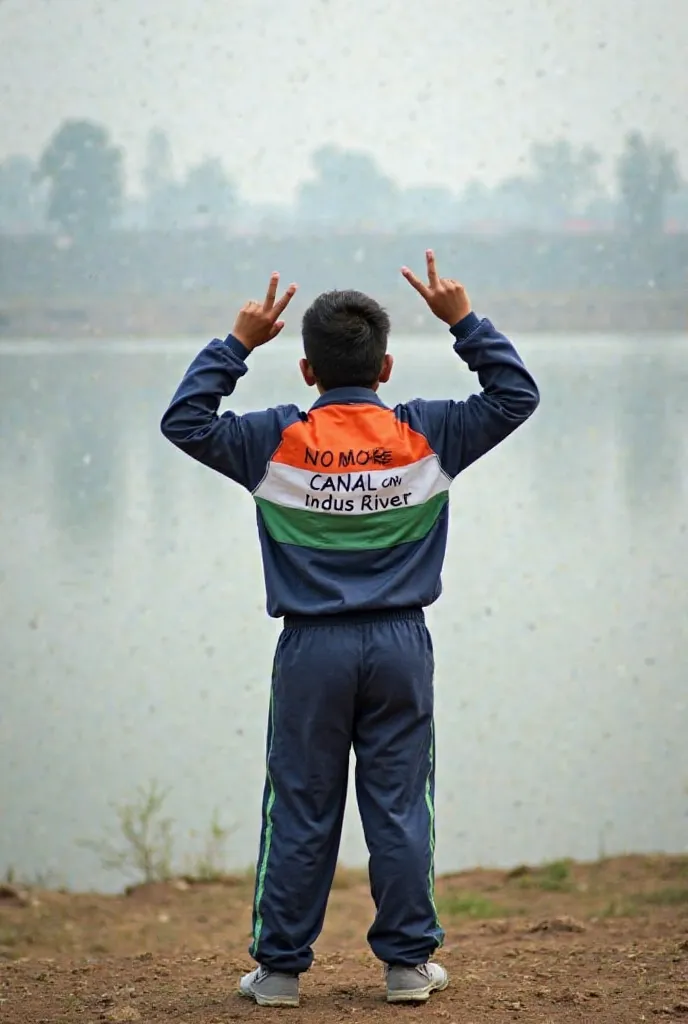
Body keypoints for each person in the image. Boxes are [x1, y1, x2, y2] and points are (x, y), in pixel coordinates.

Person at [160, 251, 540, 1009]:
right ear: (387, 366)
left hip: (310, 650)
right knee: (399, 804)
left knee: (301, 804)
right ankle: (406, 967)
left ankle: (277, 974)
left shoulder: (272, 440)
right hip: (401, 645)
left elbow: (184, 421)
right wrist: (465, 322)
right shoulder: (428, 433)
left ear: (305, 370)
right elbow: (515, 395)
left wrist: (235, 344)